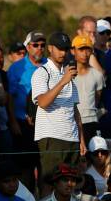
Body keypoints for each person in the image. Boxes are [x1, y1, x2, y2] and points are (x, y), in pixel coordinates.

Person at [31, 32, 87, 192]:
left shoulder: (68, 73)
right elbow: (42, 102)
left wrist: (81, 138)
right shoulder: (42, 72)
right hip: (51, 137)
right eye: (59, 49)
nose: (63, 53)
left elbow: (74, 108)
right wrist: (63, 82)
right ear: (50, 49)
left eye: (66, 49)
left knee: (71, 185)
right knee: (50, 183)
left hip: (72, 137)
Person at [7, 31, 47, 191]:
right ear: (28, 47)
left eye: (42, 45)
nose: (39, 48)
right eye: (35, 45)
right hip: (23, 126)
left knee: (46, 170)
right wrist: (13, 122)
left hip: (45, 125)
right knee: (26, 171)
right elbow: (10, 97)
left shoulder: (49, 65)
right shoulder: (17, 68)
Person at [72, 35, 105, 144]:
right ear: (73, 51)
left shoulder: (97, 75)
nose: (85, 53)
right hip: (73, 122)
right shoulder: (67, 74)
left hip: (92, 121)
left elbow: (97, 98)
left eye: (88, 49)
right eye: (81, 49)